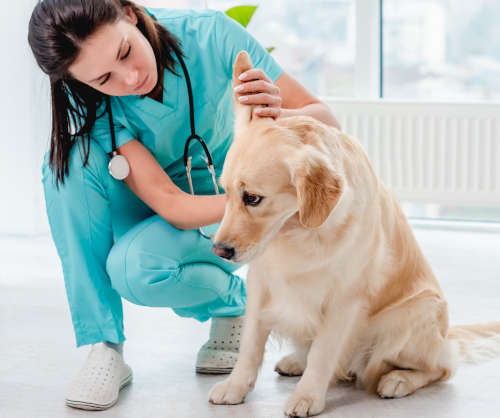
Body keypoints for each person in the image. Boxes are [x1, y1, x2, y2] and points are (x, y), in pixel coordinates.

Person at [28, 0, 340, 411]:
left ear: (129, 13)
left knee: (136, 270)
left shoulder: (212, 36)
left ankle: (235, 307)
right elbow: (170, 202)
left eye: (125, 52)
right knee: (68, 164)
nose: (132, 77)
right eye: (105, 78)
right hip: (168, 204)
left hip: (229, 212)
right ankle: (105, 347)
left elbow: (328, 124)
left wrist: (280, 118)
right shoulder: (97, 101)